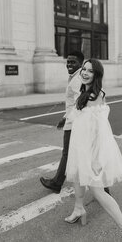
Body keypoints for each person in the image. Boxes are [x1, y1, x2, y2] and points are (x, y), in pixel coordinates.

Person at [64, 59, 122, 242]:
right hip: (81, 147)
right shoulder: (85, 92)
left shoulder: (95, 96)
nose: (84, 73)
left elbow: (99, 131)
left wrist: (95, 160)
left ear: (96, 75)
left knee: (98, 191)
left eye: (90, 71)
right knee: (77, 177)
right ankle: (79, 209)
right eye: (83, 69)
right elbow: (80, 118)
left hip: (90, 151)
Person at [40, 51, 84, 193]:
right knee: (86, 155)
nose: (69, 64)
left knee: (68, 153)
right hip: (73, 120)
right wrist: (64, 118)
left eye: (73, 62)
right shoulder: (75, 77)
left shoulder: (78, 79)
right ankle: (103, 187)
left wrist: (68, 119)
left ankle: (57, 183)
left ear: (80, 63)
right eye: (68, 62)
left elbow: (80, 103)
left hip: (75, 123)